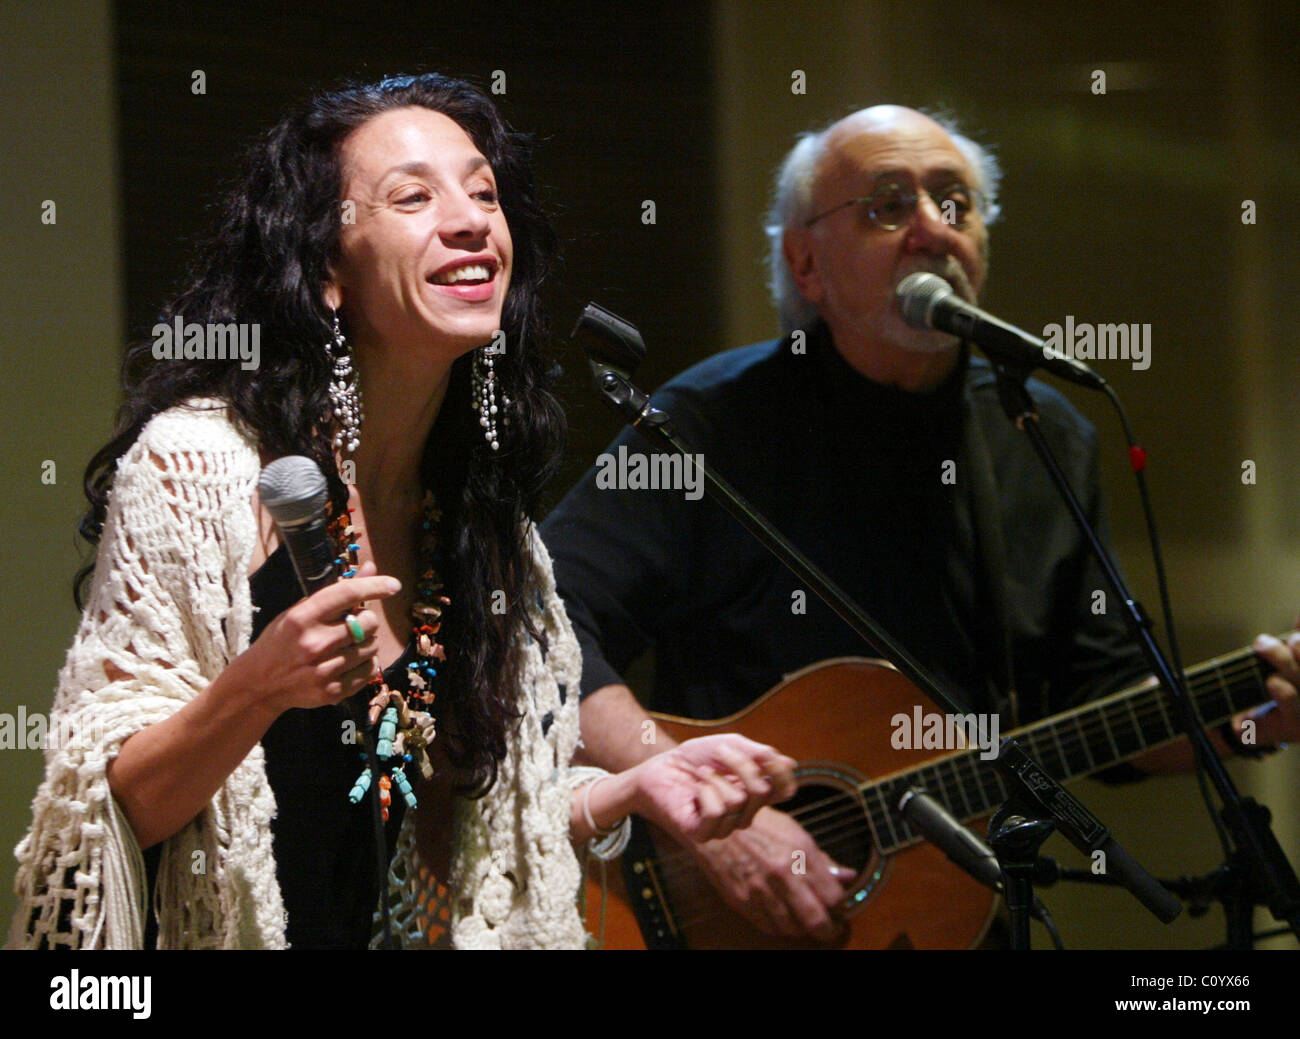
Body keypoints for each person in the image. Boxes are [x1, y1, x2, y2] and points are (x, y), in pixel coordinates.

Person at [7, 73, 798, 951]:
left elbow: (464, 836)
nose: (469, 220)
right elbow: (108, 808)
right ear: (325, 271)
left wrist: (636, 788)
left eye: (484, 192)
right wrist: (257, 687)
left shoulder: (480, 525)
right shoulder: (199, 468)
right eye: (413, 196)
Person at [543, 105, 1300, 944]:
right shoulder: (705, 424)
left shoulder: (1039, 431)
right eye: (888, 204)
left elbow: (1101, 704)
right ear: (806, 261)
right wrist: (689, 795)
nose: (933, 229)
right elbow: (542, 623)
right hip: (695, 908)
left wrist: (1250, 717)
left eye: (956, 203)